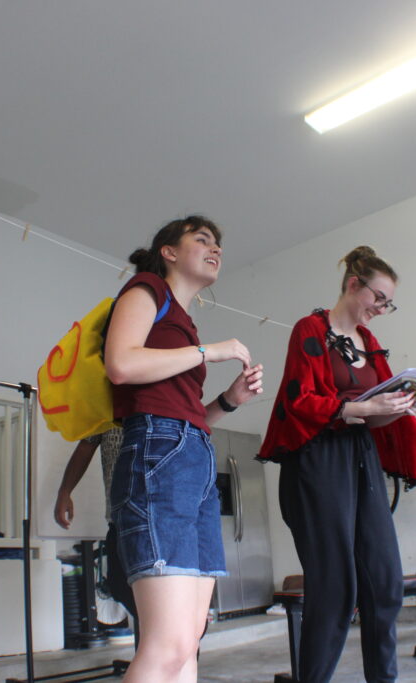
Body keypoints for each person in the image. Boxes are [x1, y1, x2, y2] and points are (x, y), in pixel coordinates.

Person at [257, 246, 416, 683]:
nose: (382, 308)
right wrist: (362, 407)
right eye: (379, 297)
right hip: (317, 458)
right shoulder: (311, 328)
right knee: (335, 587)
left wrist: (399, 408)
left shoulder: (369, 342)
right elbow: (300, 399)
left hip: (362, 457)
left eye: (387, 302)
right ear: (354, 285)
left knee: (385, 579)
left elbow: (373, 409)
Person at [104, 215, 264, 683]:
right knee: (168, 644)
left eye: (218, 243)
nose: (215, 248)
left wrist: (229, 402)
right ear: (169, 251)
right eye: (202, 240)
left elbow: (187, 415)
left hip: (193, 456)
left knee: (189, 641)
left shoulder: (184, 324)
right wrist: (209, 352)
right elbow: (121, 364)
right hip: (158, 456)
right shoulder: (146, 289)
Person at [54, 426, 136, 618]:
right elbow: (85, 446)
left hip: (155, 515)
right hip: (118, 514)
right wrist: (65, 491)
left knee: (150, 588)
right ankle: (165, 638)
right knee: (120, 585)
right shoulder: (105, 405)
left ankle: (170, 639)